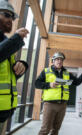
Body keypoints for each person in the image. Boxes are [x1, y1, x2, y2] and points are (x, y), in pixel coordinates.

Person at [35, 52, 82, 135]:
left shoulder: (67, 73)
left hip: (62, 105)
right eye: (57, 59)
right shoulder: (46, 71)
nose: (59, 61)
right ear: (53, 61)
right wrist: (49, 84)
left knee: (56, 130)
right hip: (50, 104)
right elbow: (36, 84)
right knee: (45, 129)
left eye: (61, 59)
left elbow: (76, 82)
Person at [0, 0, 29, 134]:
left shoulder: (5, 41)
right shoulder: (9, 42)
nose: (10, 19)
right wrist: (16, 38)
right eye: (6, 14)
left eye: (12, 17)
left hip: (4, 112)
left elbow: (9, 75)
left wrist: (21, 65)